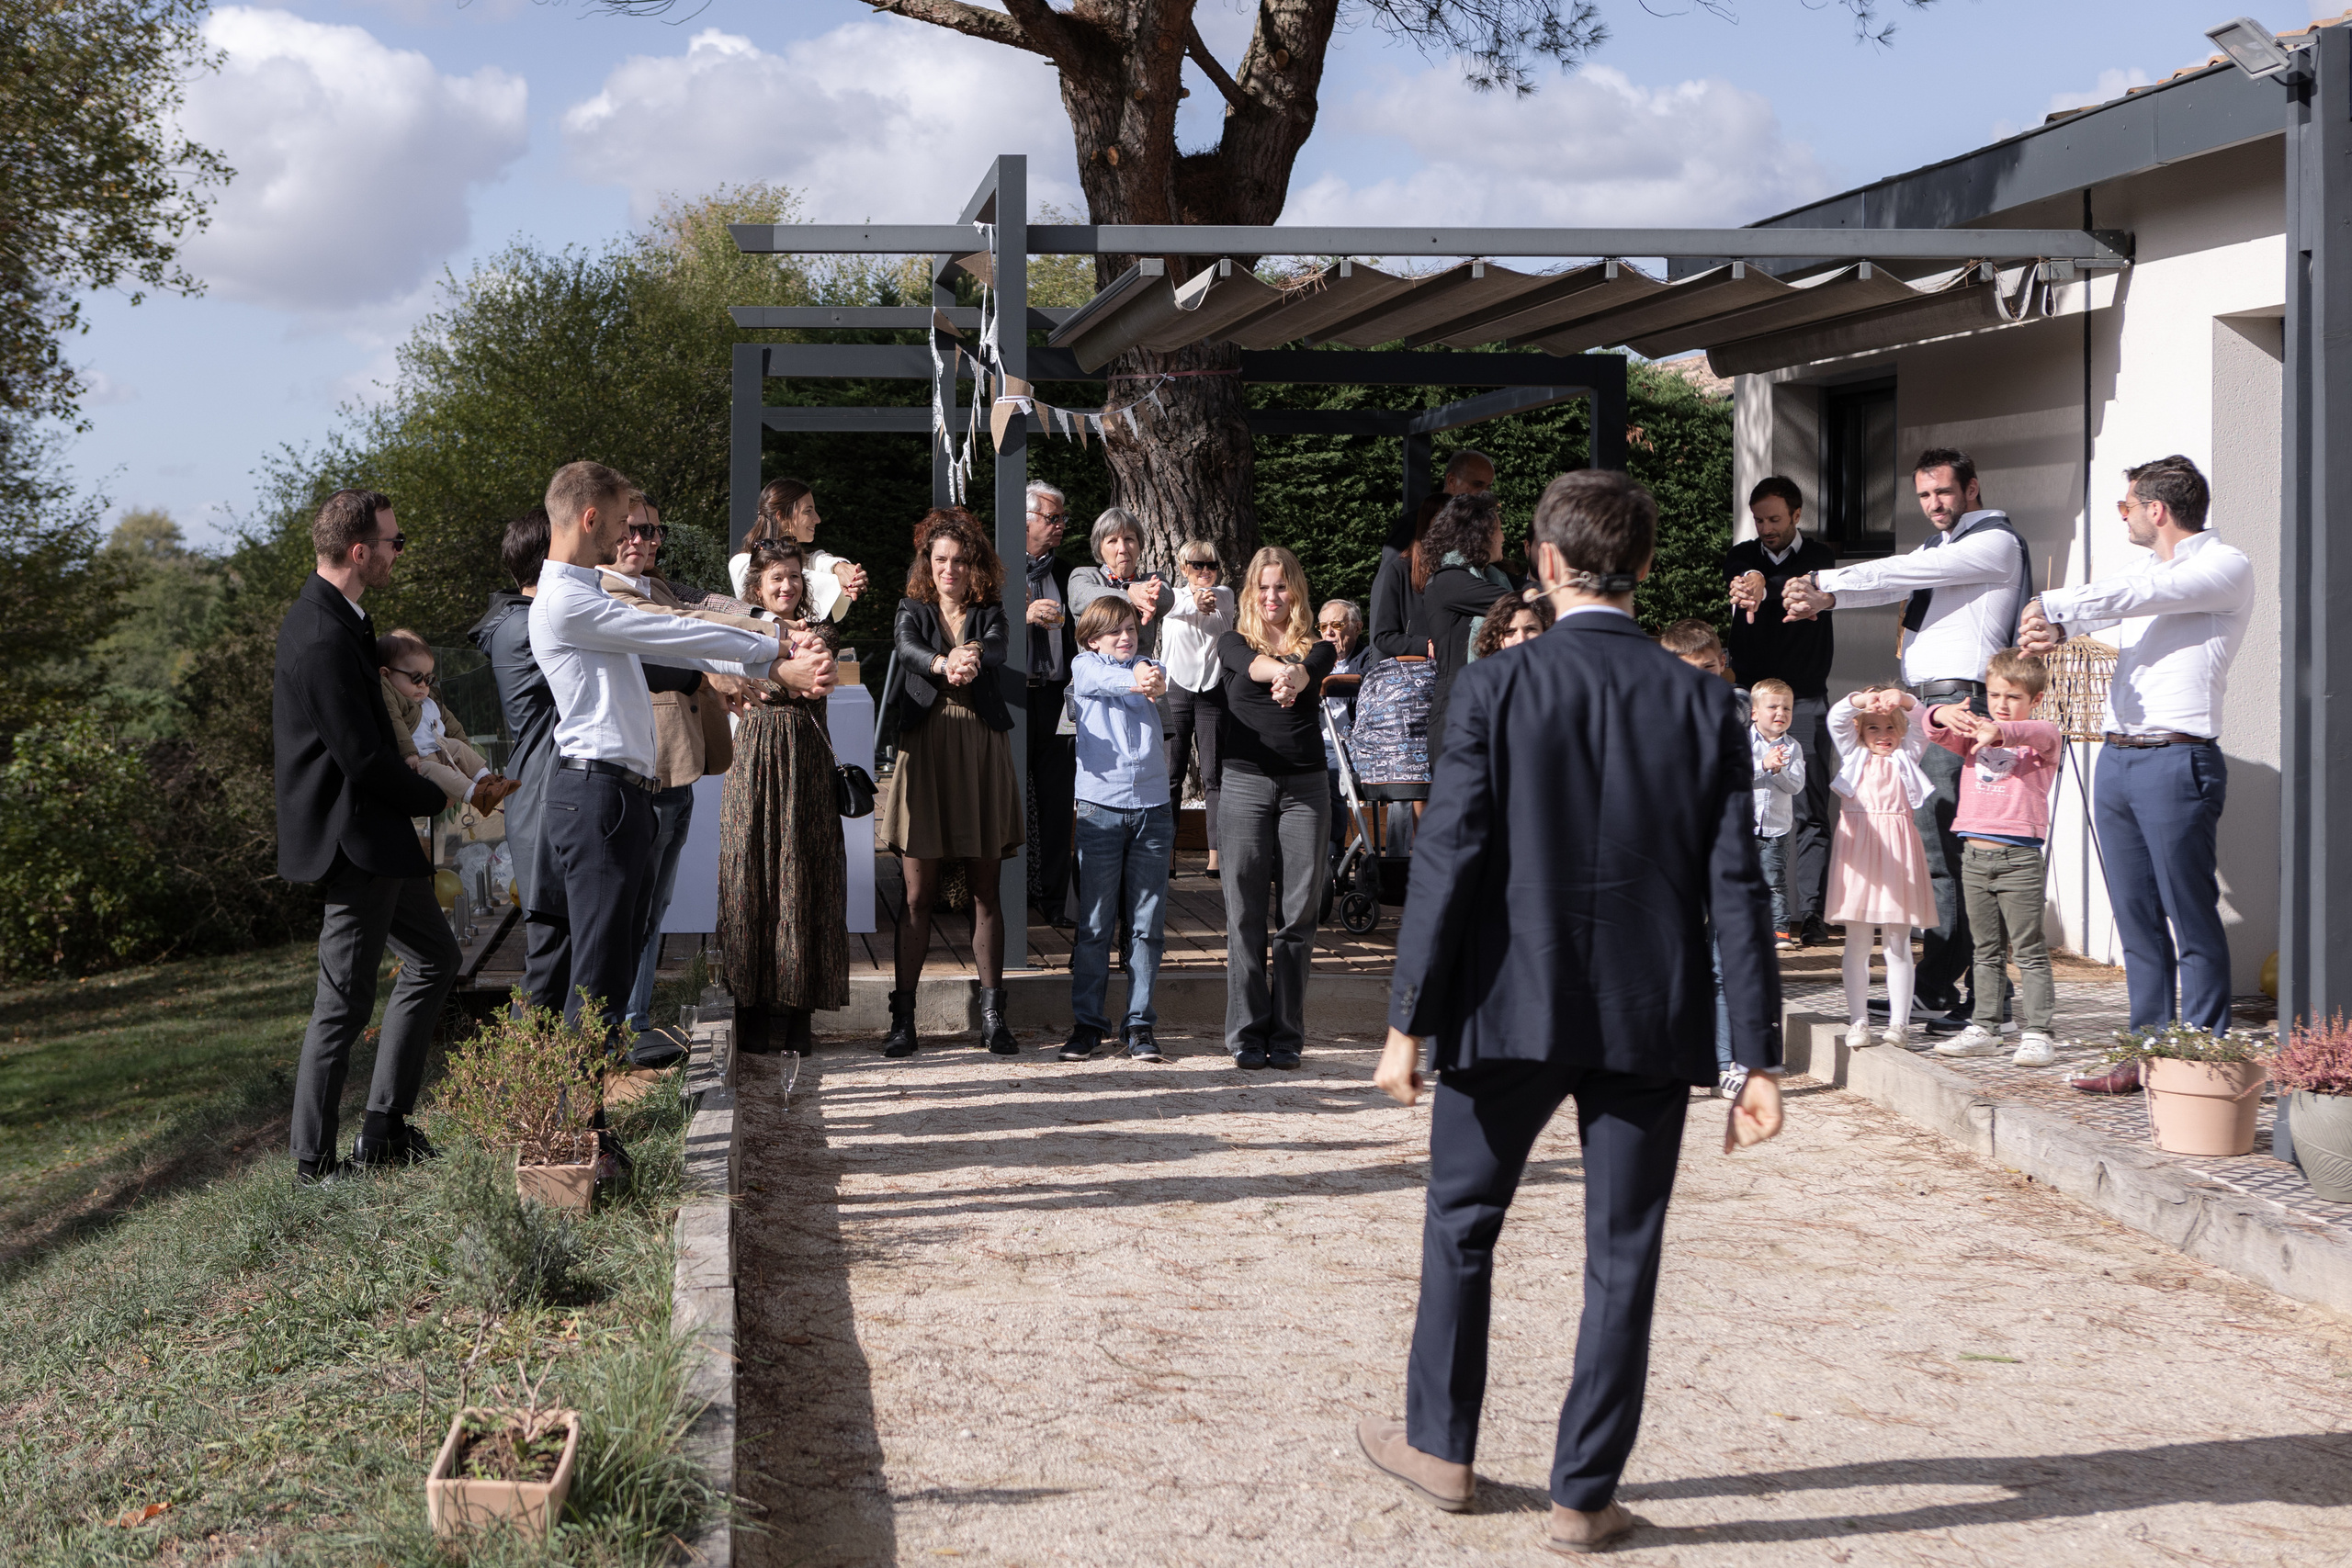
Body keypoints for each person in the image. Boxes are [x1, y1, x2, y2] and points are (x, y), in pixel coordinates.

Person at [1361, 468, 1783, 1555]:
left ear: (1545, 564)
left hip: (1507, 1000)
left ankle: (1441, 1448)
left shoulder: (1496, 688)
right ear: (1642, 567)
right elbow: (1737, 883)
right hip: (1651, 1009)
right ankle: (1581, 1494)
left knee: (1463, 1226)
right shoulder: (1702, 699)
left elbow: (1447, 856)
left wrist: (1407, 1018)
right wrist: (1758, 1058)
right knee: (1623, 1252)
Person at [532, 460, 831, 1181]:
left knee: (606, 962)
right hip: (597, 794)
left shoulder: (593, 593)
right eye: (623, 518)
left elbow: (681, 627)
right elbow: (664, 635)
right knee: (596, 974)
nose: (634, 536)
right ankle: (577, 1139)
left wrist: (770, 650)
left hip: (618, 792)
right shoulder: (569, 601)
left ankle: (581, 1131)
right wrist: (776, 657)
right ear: (590, 519)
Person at [2021, 454, 2254, 1089]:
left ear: (2157, 509)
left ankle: (2200, 1062)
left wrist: (2057, 603)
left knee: (2191, 912)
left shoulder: (2223, 567)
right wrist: (2054, 627)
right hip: (2118, 759)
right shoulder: (2144, 571)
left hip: (2178, 759)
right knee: (2135, 918)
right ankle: (2146, 1054)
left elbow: (2148, 594)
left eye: (2126, 505)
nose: (2121, 515)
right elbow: (2111, 603)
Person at [1783, 448, 2031, 1034]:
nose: (1933, 505)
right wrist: (1825, 598)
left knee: (1948, 855)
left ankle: (1949, 989)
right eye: (1924, 496)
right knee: (1939, 853)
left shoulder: (1995, 541)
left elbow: (1898, 573)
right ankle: (1946, 987)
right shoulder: (1939, 548)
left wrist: (1823, 580)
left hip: (1960, 703)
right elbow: (1887, 585)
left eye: (1943, 492)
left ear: (1972, 488)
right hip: (1926, 707)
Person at [273, 489, 459, 1183]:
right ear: (360, 551)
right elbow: (360, 756)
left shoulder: (344, 617)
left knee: (435, 957)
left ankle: (382, 1127)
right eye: (394, 541)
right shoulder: (320, 633)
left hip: (376, 834)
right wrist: (435, 794)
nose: (397, 551)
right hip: (352, 839)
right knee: (342, 1005)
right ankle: (313, 1164)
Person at [600, 496, 761, 1055]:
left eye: (650, 530)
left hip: (680, 765)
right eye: (629, 530)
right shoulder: (607, 593)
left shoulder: (657, 586)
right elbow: (682, 630)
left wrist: (764, 622)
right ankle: (622, 1025)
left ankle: (634, 1020)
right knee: (636, 906)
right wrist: (719, 673)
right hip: (644, 770)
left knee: (656, 904)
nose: (640, 540)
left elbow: (707, 606)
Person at [879, 507, 1025, 1059]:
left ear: (975, 565)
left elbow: (1001, 648)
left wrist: (974, 654)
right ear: (928, 563)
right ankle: (903, 1021)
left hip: (981, 748)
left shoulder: (990, 612)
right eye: (940, 560)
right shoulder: (911, 609)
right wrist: (945, 662)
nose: (949, 570)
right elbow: (906, 650)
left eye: (960, 561)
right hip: (927, 748)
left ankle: (993, 1018)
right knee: (917, 895)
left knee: (986, 890)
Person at [720, 536, 851, 1056]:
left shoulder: (819, 632)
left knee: (802, 876)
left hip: (805, 766)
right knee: (747, 874)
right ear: (756, 585)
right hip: (751, 761)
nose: (787, 585)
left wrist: (752, 676)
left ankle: (799, 1017)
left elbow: (814, 680)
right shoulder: (737, 628)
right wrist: (760, 672)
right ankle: (749, 1012)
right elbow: (721, 675)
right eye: (776, 577)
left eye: (794, 576)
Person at [1216, 546, 1337, 1069]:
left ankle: (1286, 1033)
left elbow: (1314, 666)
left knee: (1299, 914)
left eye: (1281, 586)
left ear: (1296, 592)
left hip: (1306, 788)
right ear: (1250, 592)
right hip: (1243, 785)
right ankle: (1245, 1033)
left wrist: (1298, 674)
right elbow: (1251, 664)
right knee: (1243, 912)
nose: (1272, 596)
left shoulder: (1319, 648)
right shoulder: (1231, 641)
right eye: (1263, 587)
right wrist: (1281, 675)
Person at [1923, 650, 2064, 1067]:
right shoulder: (1973, 735)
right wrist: (1943, 713)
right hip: (1974, 857)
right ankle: (1985, 1026)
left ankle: (2039, 1033)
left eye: (2013, 697)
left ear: (2034, 700)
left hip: (2019, 859)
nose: (2000, 704)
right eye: (1994, 694)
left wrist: (2000, 730)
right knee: (1984, 950)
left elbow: (2041, 733)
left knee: (2029, 949)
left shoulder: (2042, 738)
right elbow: (1930, 728)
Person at [1059, 594, 1174, 1063]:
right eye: (1115, 631)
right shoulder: (1084, 667)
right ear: (1091, 639)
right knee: (1095, 925)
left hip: (1153, 809)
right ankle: (1088, 1025)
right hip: (1099, 810)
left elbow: (1156, 680)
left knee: (1146, 927)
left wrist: (1152, 679)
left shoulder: (1148, 665)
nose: (1127, 637)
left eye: (1131, 628)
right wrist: (1138, 680)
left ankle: (1140, 1026)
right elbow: (1104, 680)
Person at [1726, 476, 1839, 945]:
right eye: (1759, 520)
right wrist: (1748, 580)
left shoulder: (1820, 558)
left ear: (1796, 516)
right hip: (1745, 699)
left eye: (1775, 518)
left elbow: (1799, 582)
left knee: (1810, 807)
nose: (1766, 528)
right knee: (1736, 798)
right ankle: (1742, 910)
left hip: (1807, 699)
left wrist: (1765, 586)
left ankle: (1811, 913)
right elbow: (1741, 575)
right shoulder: (1740, 558)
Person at [469, 508, 568, 1014]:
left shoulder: (516, 620)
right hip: (548, 796)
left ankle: (547, 1076)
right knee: (549, 955)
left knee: (556, 950)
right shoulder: (533, 624)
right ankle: (521, 1081)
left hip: (539, 792)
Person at [1826, 688, 1939, 1050]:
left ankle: (1899, 1024)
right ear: (1860, 733)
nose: (1882, 735)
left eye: (1890, 727)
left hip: (1899, 852)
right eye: (1873, 728)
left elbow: (1923, 722)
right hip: (1859, 854)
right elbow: (1836, 719)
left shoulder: (1908, 756)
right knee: (1857, 941)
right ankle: (1858, 1020)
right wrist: (1861, 701)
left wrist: (1902, 700)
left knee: (1897, 942)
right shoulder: (1852, 755)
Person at [1410, 492, 1516, 759]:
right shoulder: (1448, 582)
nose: (1503, 537)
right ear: (1479, 535)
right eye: (1499, 530)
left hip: (1488, 710)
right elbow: (1515, 602)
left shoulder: (1494, 578)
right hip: (1458, 717)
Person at [1019, 480, 1079, 922]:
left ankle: (1056, 899)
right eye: (1051, 518)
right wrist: (1023, 617)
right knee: (1013, 798)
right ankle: (1014, 892)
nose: (1059, 526)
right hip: (1014, 698)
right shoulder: (996, 571)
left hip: (1057, 699)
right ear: (1025, 521)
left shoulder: (1069, 574)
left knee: (1058, 800)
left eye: (1061, 518)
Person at [376, 630, 517, 815]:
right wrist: (409, 753)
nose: (423, 685)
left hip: (439, 749)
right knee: (434, 771)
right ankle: (477, 796)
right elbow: (395, 723)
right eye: (416, 677)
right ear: (386, 675)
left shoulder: (430, 701)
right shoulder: (394, 699)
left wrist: (466, 755)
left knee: (457, 745)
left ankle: (487, 781)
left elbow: (452, 725)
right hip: (418, 760)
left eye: (428, 679)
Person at [1160, 539, 1234, 879]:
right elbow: (1174, 605)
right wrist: (1193, 600)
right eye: (1196, 565)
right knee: (1171, 775)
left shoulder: (1226, 595)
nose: (1205, 572)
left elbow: (1219, 612)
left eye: (1211, 565)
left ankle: (1216, 856)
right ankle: (1168, 853)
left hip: (1212, 690)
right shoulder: (1171, 595)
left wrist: (1205, 599)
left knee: (1214, 776)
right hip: (1176, 688)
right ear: (1182, 566)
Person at [729, 477, 868, 622]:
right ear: (782, 516)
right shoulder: (742, 563)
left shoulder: (801, 559)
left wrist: (840, 567)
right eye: (808, 511)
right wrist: (840, 580)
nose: (817, 519)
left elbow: (816, 560)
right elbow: (805, 573)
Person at [1748, 677, 1804, 947]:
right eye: (1773, 707)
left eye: (1787, 708)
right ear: (1754, 712)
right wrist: (1762, 764)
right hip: (1742, 826)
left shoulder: (1793, 748)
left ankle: (1779, 929)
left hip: (1776, 827)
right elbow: (1732, 773)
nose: (1781, 713)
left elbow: (1796, 785)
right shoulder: (1742, 741)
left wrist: (1779, 770)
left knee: (1774, 880)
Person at [1318, 599, 1370, 852]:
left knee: (1333, 776)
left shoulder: (1368, 658)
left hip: (1352, 742)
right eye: (1323, 626)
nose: (1328, 632)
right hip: (1318, 739)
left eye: (1337, 624)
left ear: (1357, 627)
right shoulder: (1314, 656)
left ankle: (1333, 855)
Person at [1467, 591, 1553, 659]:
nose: (1521, 640)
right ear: (1496, 638)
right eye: (1510, 631)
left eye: (1531, 629)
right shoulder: (1482, 677)